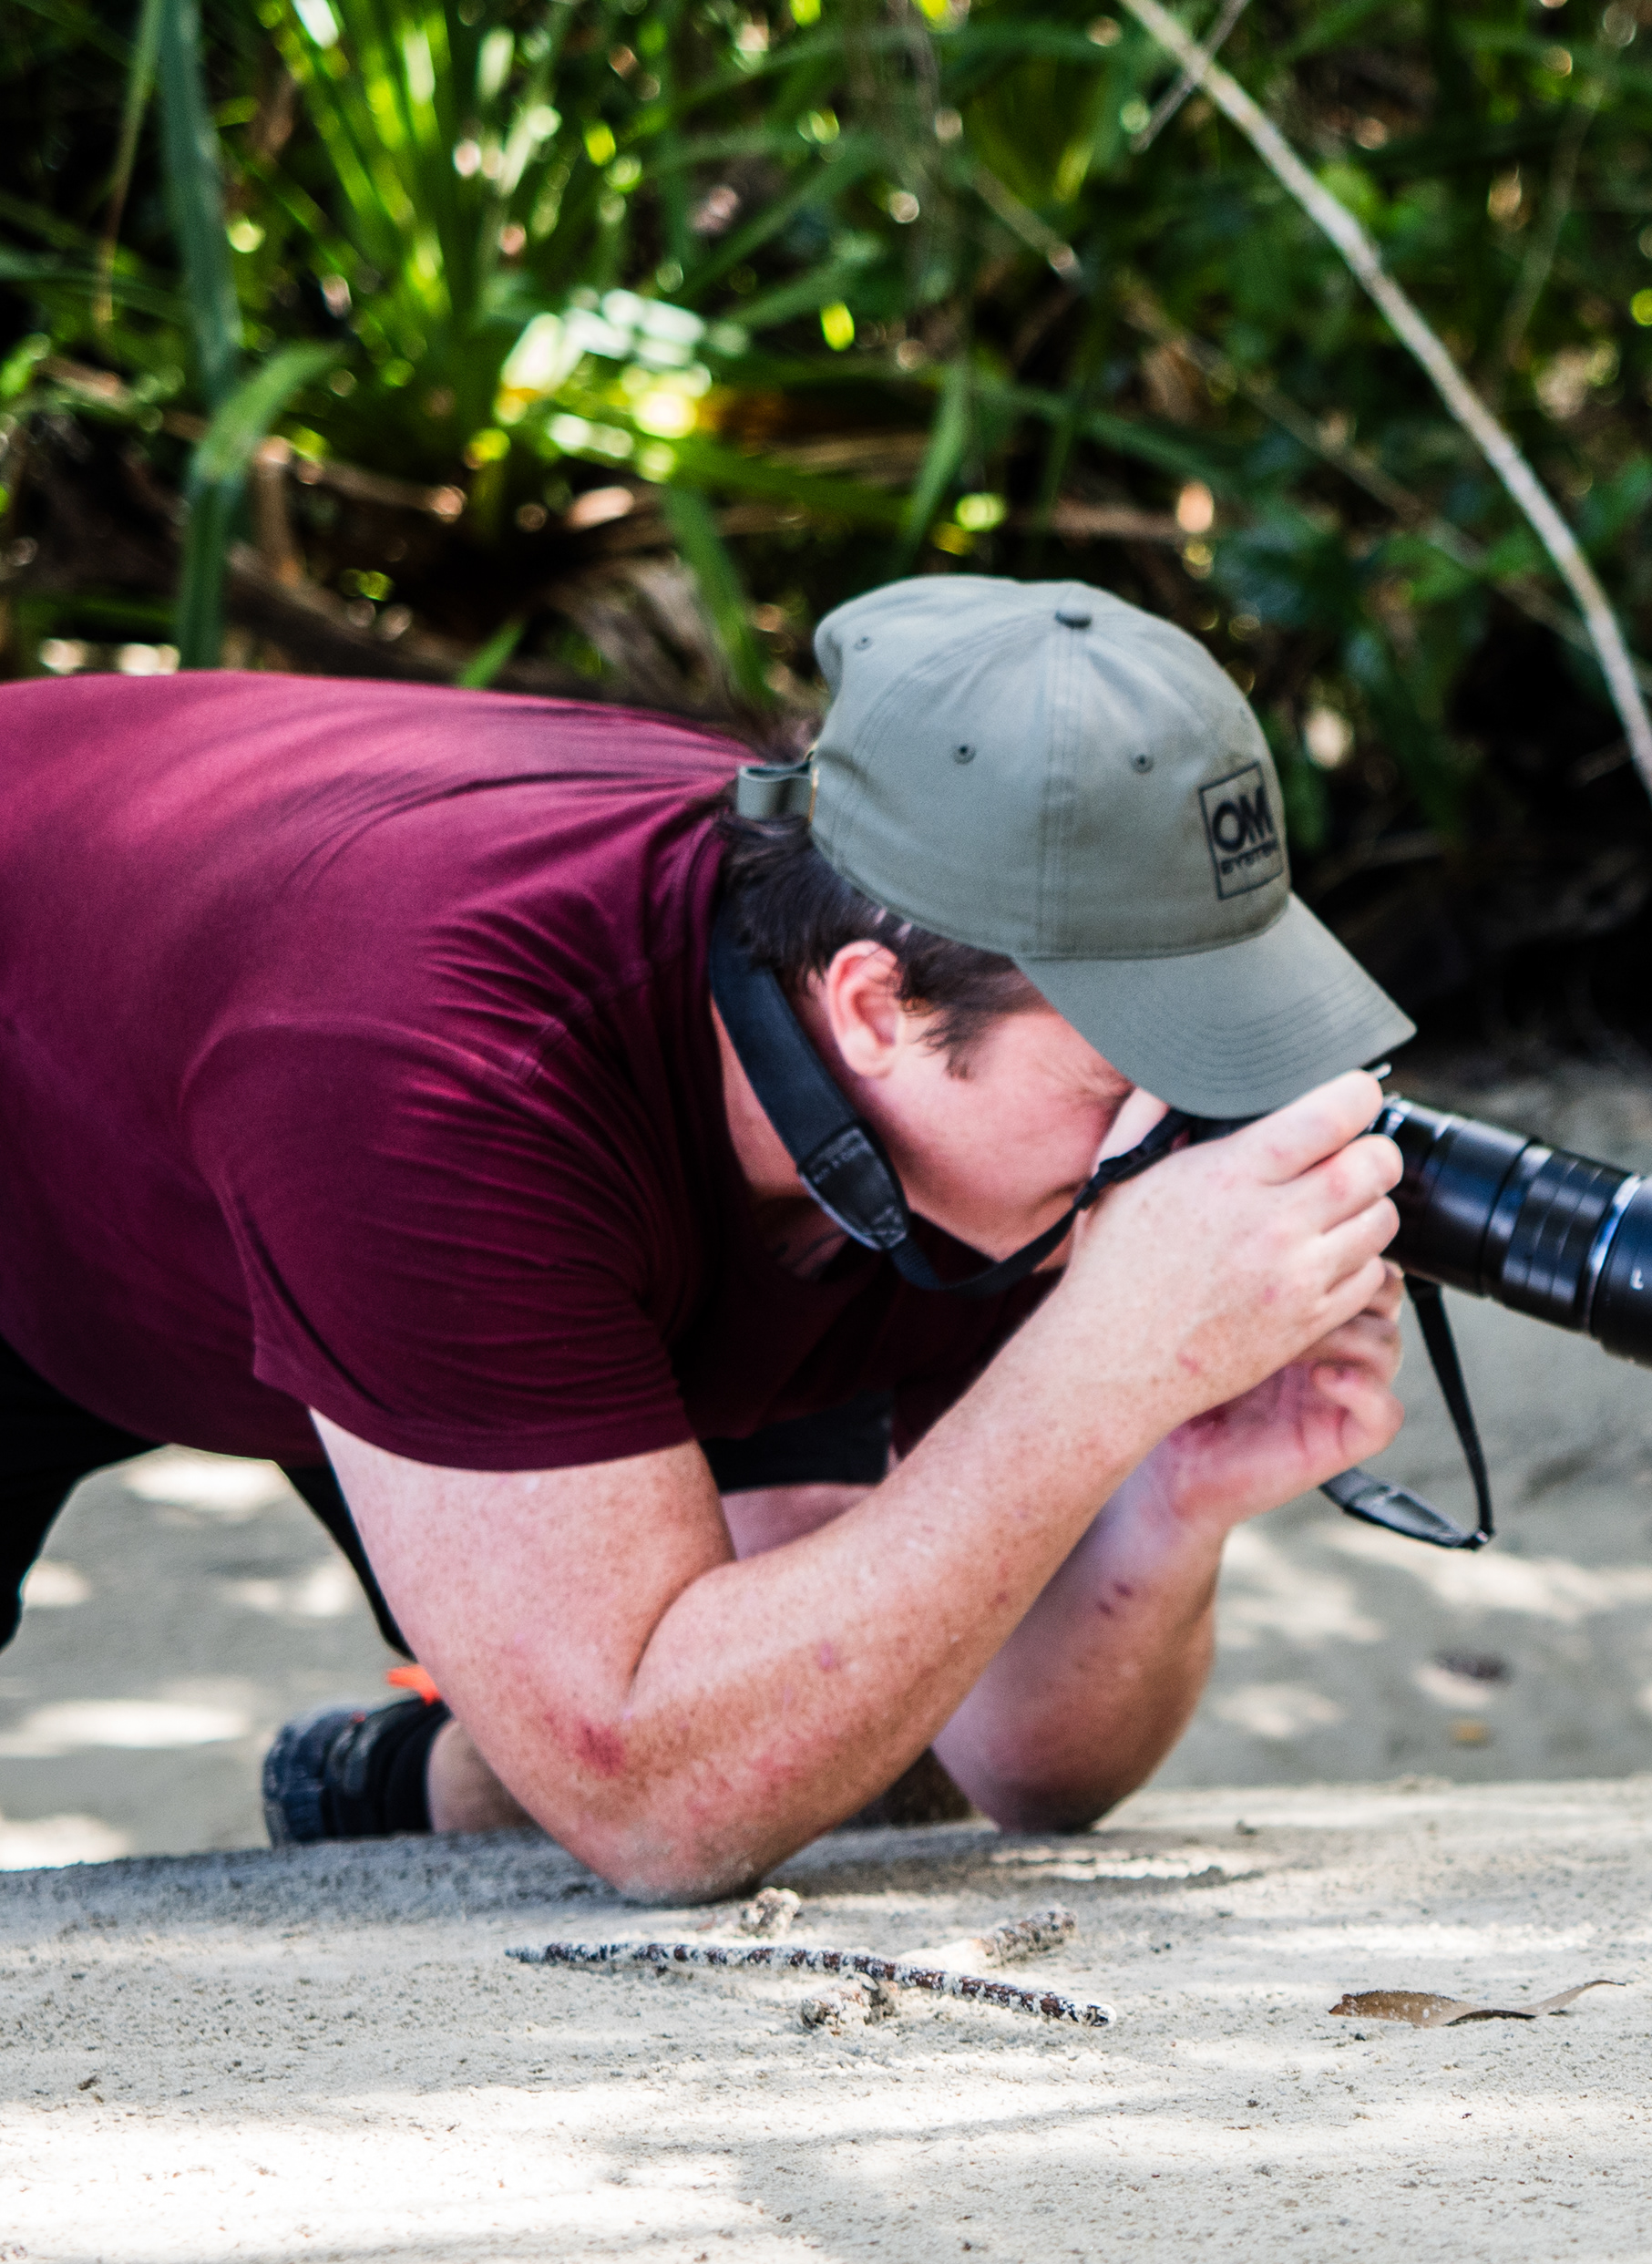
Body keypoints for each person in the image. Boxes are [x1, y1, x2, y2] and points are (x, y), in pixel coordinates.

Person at [0, 576, 1414, 1899]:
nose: (1179, 1126)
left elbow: (1013, 1765)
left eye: (1218, 1049)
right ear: (874, 1008)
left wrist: (1168, 1500)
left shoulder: (964, 1077)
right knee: (715, 1739)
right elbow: (656, 1807)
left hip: (340, 1159)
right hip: (60, 1116)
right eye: (1136, 1067)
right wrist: (1102, 1368)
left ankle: (401, 1782)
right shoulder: (448, 1073)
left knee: (837, 1737)